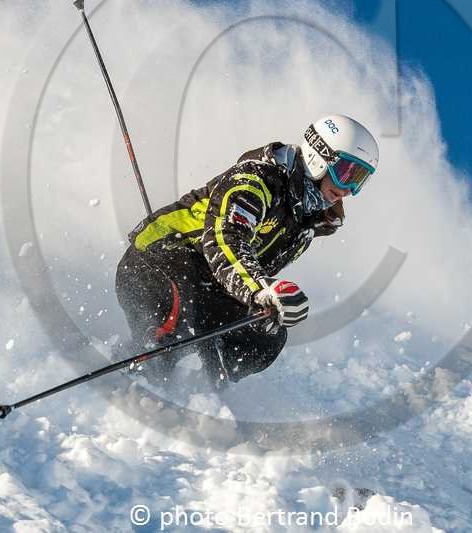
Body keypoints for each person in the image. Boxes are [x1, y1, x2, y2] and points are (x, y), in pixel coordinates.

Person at [115, 114, 379, 387]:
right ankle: (136, 369)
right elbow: (224, 239)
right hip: (157, 260)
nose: (348, 190)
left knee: (266, 336)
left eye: (359, 180)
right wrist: (260, 290)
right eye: (347, 173)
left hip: (209, 285)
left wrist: (268, 303)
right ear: (320, 156)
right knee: (188, 301)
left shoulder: (306, 223)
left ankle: (199, 390)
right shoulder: (257, 180)